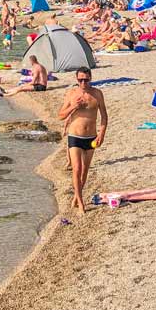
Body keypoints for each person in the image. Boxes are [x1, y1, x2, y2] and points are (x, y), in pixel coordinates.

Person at [57, 67, 108, 213]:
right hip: (75, 136)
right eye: (80, 80)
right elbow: (60, 115)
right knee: (77, 169)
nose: (83, 83)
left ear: (90, 78)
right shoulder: (72, 94)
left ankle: (76, 196)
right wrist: (73, 106)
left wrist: (101, 134)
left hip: (91, 137)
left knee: (85, 172)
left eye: (86, 79)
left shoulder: (97, 94)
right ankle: (80, 202)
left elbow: (104, 115)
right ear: (76, 79)